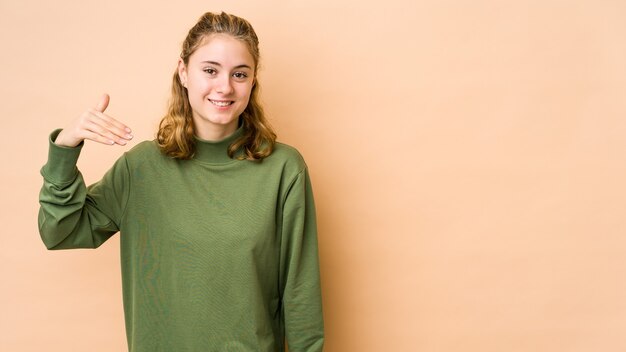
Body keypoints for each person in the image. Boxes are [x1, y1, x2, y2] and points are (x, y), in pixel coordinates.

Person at [38, 11, 324, 352]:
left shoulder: (283, 169)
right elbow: (60, 231)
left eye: (240, 74)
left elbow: (300, 292)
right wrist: (65, 149)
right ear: (184, 72)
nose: (225, 86)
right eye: (210, 70)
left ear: (252, 81)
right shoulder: (140, 168)